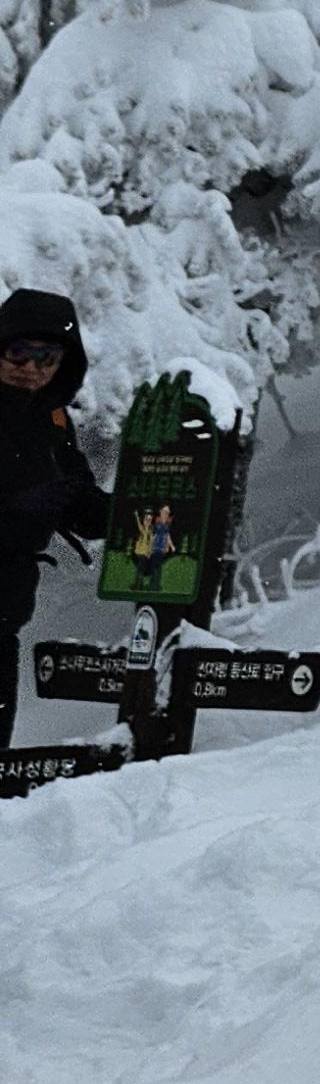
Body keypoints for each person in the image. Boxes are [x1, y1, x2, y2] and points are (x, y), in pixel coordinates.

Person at [0, 289, 104, 752]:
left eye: (48, 357)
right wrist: (16, 508)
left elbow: (81, 505)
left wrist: (138, 509)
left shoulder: (53, 420)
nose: (32, 368)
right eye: (19, 351)